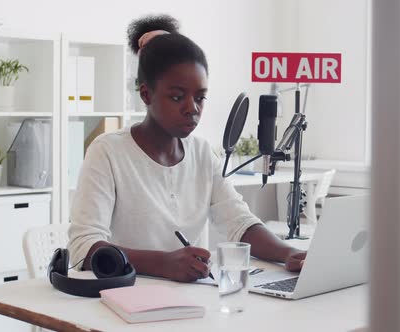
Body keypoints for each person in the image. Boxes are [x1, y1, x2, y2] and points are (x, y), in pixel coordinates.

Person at [68, 14, 306, 282]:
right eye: (177, 96)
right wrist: (163, 263)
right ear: (146, 95)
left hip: (188, 301)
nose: (192, 108)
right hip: (121, 303)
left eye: (200, 97)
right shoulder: (107, 152)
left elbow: (240, 222)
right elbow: (84, 249)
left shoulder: (203, 154)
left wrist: (289, 253)